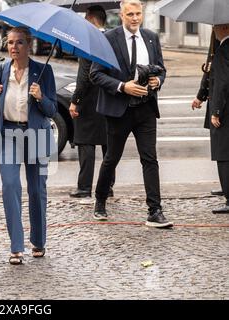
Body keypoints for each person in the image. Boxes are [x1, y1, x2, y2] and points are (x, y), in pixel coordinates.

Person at [90, 0, 172, 227]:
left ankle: (155, 210)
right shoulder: (108, 39)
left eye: (138, 14)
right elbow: (95, 74)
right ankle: (100, 200)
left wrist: (158, 80)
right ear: (121, 15)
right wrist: (122, 86)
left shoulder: (151, 38)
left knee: (149, 159)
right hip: (119, 110)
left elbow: (161, 69)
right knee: (112, 158)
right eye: (130, 14)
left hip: (146, 108)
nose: (135, 18)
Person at [0, 26, 57, 265]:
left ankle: (38, 241)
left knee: (36, 190)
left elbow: (52, 109)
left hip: (35, 134)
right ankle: (16, 247)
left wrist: (40, 97)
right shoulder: (0, 69)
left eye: (19, 43)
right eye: (10, 43)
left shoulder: (43, 71)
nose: (13, 47)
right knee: (10, 185)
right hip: (7, 134)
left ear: (29, 44)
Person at [69, 5, 115, 202]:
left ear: (90, 18)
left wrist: (75, 101)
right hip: (110, 98)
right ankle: (107, 187)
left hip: (89, 100)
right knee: (108, 145)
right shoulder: (113, 39)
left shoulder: (88, 42)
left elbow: (84, 77)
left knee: (85, 142)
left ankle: (84, 187)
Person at [191, 33, 223, 197]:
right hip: (217, 97)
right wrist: (201, 95)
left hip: (221, 100)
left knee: (223, 149)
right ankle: (225, 185)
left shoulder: (221, 39)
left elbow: (217, 74)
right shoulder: (217, 36)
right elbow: (210, 69)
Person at [208, 23, 229, 214]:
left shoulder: (223, 50)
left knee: (223, 154)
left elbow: (222, 83)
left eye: (215, 26)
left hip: (225, 109)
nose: (213, 29)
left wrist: (215, 111)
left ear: (223, 28)